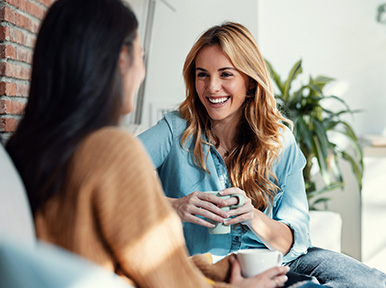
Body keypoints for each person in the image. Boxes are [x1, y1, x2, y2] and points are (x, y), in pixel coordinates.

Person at [4, 1, 308, 287]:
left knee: (333, 269)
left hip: (254, 262)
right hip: (231, 275)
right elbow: (165, 275)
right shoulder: (113, 150)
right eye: (142, 55)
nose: (142, 69)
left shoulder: (37, 152)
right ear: (122, 60)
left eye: (225, 74)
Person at [138, 22, 386, 287]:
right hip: (206, 266)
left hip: (274, 261)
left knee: (370, 281)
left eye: (226, 74)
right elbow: (110, 180)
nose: (212, 87)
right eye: (203, 75)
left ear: (250, 81)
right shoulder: (176, 130)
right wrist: (174, 206)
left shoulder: (280, 141)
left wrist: (252, 216)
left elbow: (293, 241)